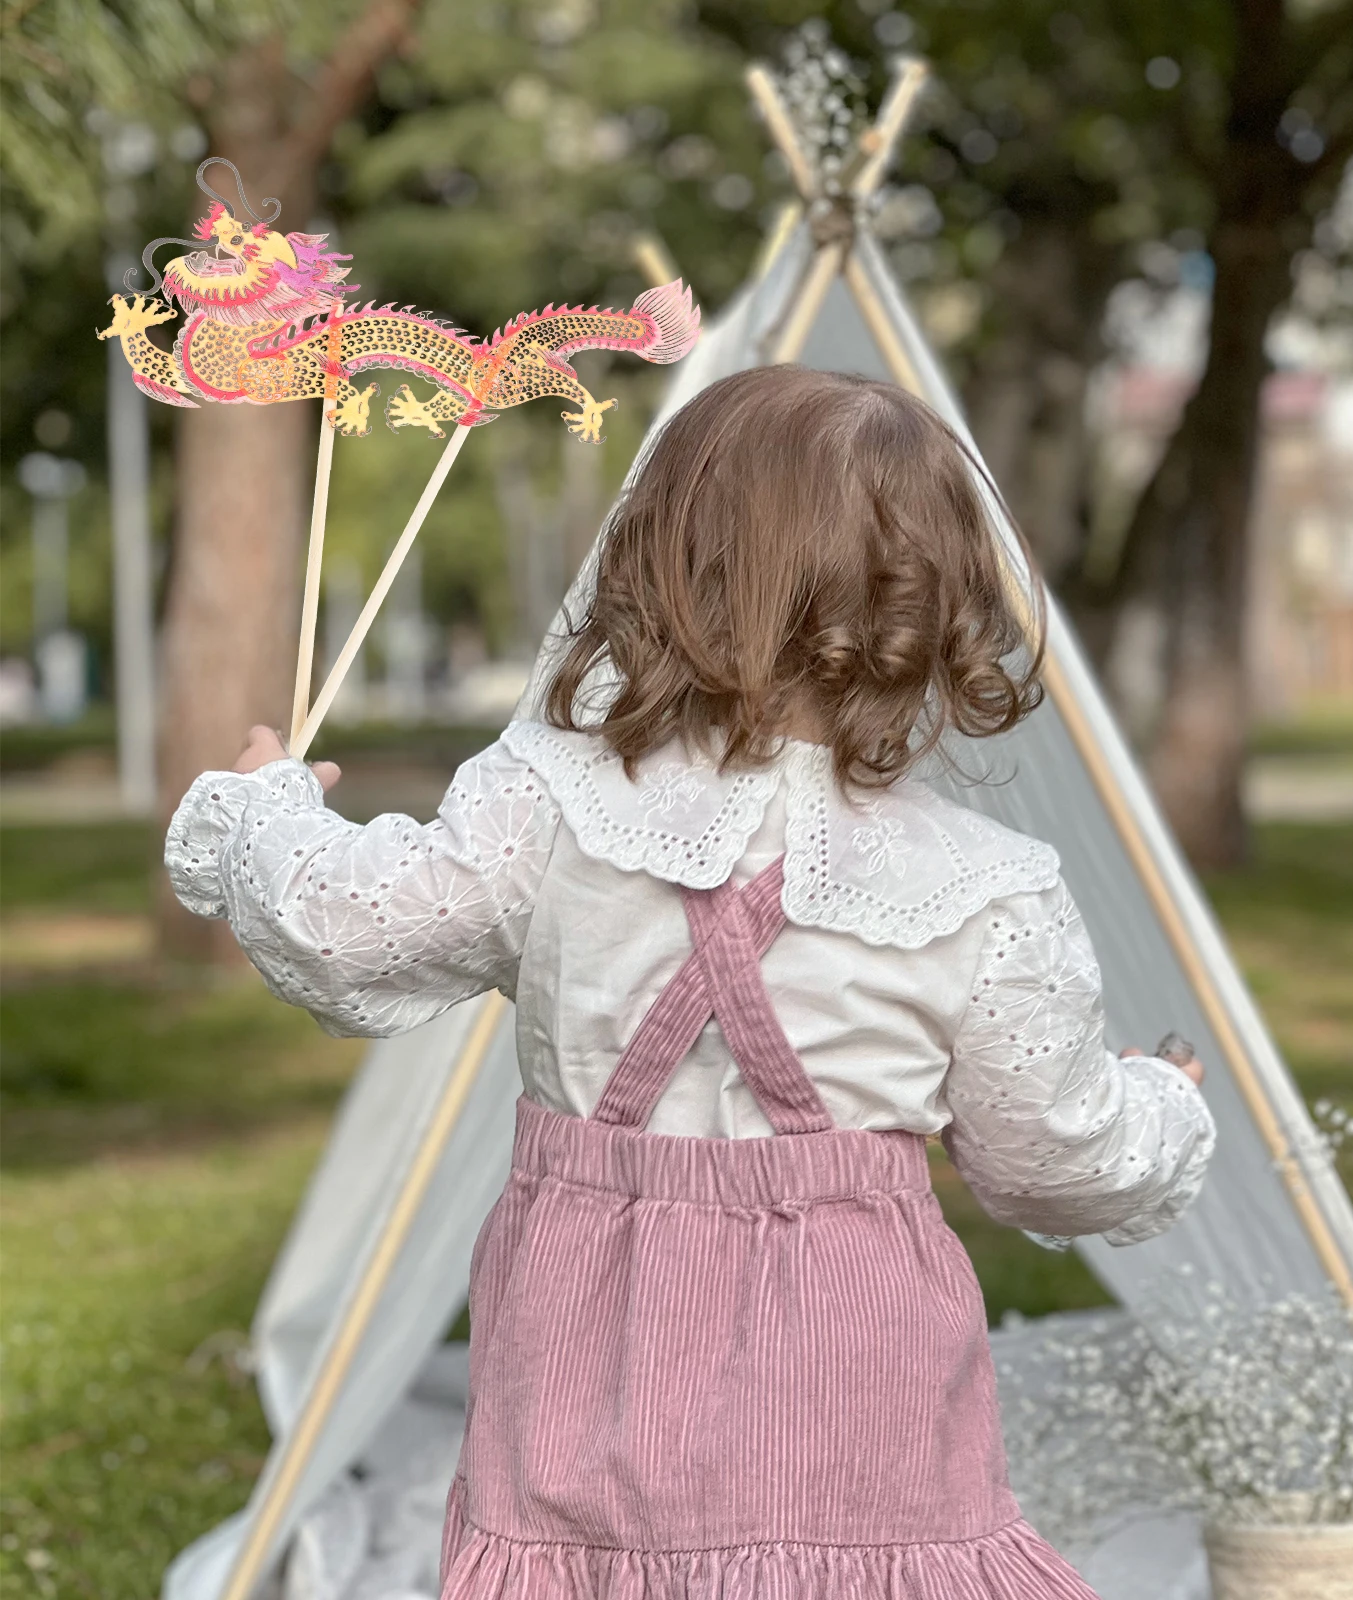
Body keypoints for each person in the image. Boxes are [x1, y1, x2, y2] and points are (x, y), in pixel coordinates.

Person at [167, 366, 1215, 1598]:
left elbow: (342, 926)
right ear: (936, 603)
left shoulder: (550, 802)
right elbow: (1051, 1154)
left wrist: (263, 811)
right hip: (854, 1403)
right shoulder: (981, 885)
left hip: (584, 1364)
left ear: (658, 561)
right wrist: (1160, 1101)